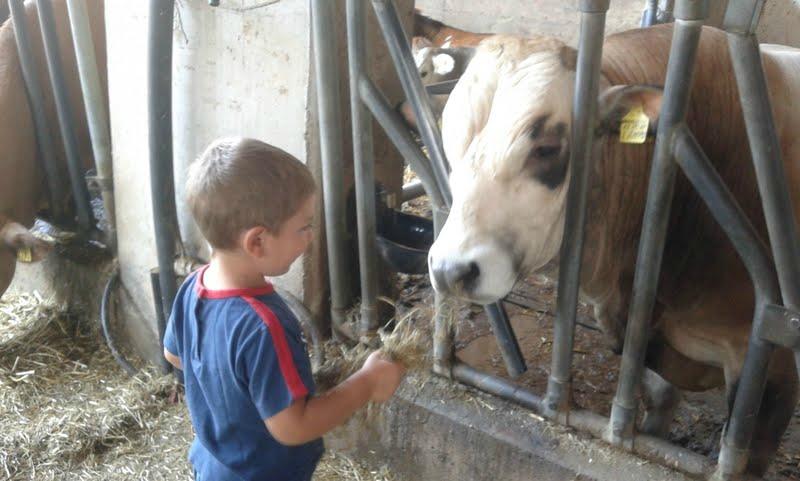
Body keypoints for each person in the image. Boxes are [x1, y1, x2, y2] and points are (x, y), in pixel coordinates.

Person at [163, 137, 406, 481]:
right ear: (257, 241)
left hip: (215, 464)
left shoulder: (193, 286)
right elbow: (294, 427)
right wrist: (367, 381)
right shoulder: (264, 324)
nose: (310, 237)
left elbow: (175, 356)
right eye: (304, 227)